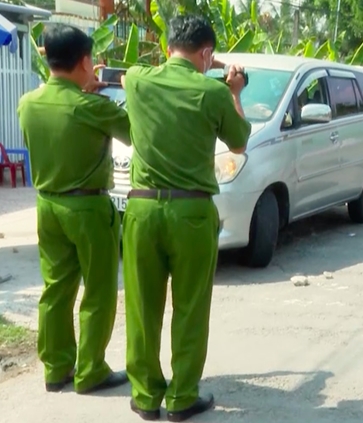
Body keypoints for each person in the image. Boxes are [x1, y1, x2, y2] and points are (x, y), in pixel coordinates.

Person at [121, 15, 251, 421]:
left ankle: (145, 396)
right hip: (192, 213)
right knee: (190, 308)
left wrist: (202, 62)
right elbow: (240, 141)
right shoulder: (212, 94)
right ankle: (180, 398)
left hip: (141, 210)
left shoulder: (137, 80)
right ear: (207, 52)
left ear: (167, 47)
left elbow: (145, 69)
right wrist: (233, 90)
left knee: (142, 308)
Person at [16, 24, 131, 394]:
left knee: (56, 289)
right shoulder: (92, 106)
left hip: (47, 205)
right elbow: (133, 132)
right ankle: (91, 370)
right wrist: (103, 95)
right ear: (85, 62)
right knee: (97, 290)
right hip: (88, 207)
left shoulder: (27, 103)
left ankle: (56, 368)